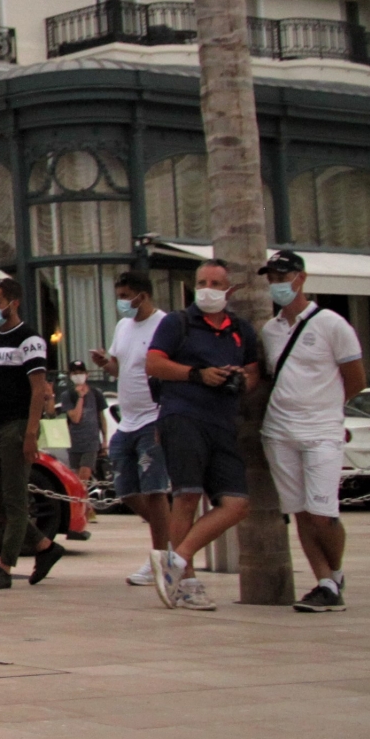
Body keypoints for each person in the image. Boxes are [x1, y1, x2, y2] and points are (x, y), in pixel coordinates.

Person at [143, 259, 262, 611]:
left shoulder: (241, 330)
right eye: (202, 281)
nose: (207, 288)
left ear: (229, 289)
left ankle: (176, 559)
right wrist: (198, 374)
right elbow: (154, 363)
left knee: (237, 503)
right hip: (183, 416)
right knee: (187, 496)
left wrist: (241, 378)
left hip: (223, 422)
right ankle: (187, 582)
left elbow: (255, 371)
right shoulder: (176, 323)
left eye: (215, 282)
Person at [256, 250, 367, 613]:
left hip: (321, 431)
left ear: (300, 278)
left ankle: (335, 574)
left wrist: (325, 407)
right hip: (279, 430)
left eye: (282, 276)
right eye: (271, 277)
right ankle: (323, 584)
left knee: (323, 511)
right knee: (300, 510)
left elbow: (356, 379)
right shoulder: (270, 331)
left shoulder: (331, 324)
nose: (277, 284)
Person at [0, 276, 63, 588]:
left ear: (13, 303)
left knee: (14, 499)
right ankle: (44, 547)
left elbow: (38, 389)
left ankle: (5, 567)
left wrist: (31, 432)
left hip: (16, 425)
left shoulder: (30, 340)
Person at [93, 271, 173, 587]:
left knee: (154, 490)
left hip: (154, 416)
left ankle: (161, 559)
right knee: (126, 489)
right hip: (128, 420)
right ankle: (172, 537)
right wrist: (105, 363)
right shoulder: (124, 326)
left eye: (126, 295)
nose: (122, 302)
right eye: (120, 295)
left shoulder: (165, 325)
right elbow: (119, 366)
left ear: (143, 295)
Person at [59, 363, 105, 482]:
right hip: (74, 442)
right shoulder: (67, 395)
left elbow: (102, 417)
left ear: (86, 374)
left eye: (81, 373)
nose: (78, 376)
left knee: (84, 475)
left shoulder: (96, 393)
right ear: (70, 375)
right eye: (75, 373)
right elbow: (75, 418)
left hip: (91, 442)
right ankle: (81, 500)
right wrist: (80, 397)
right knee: (75, 478)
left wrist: (104, 440)